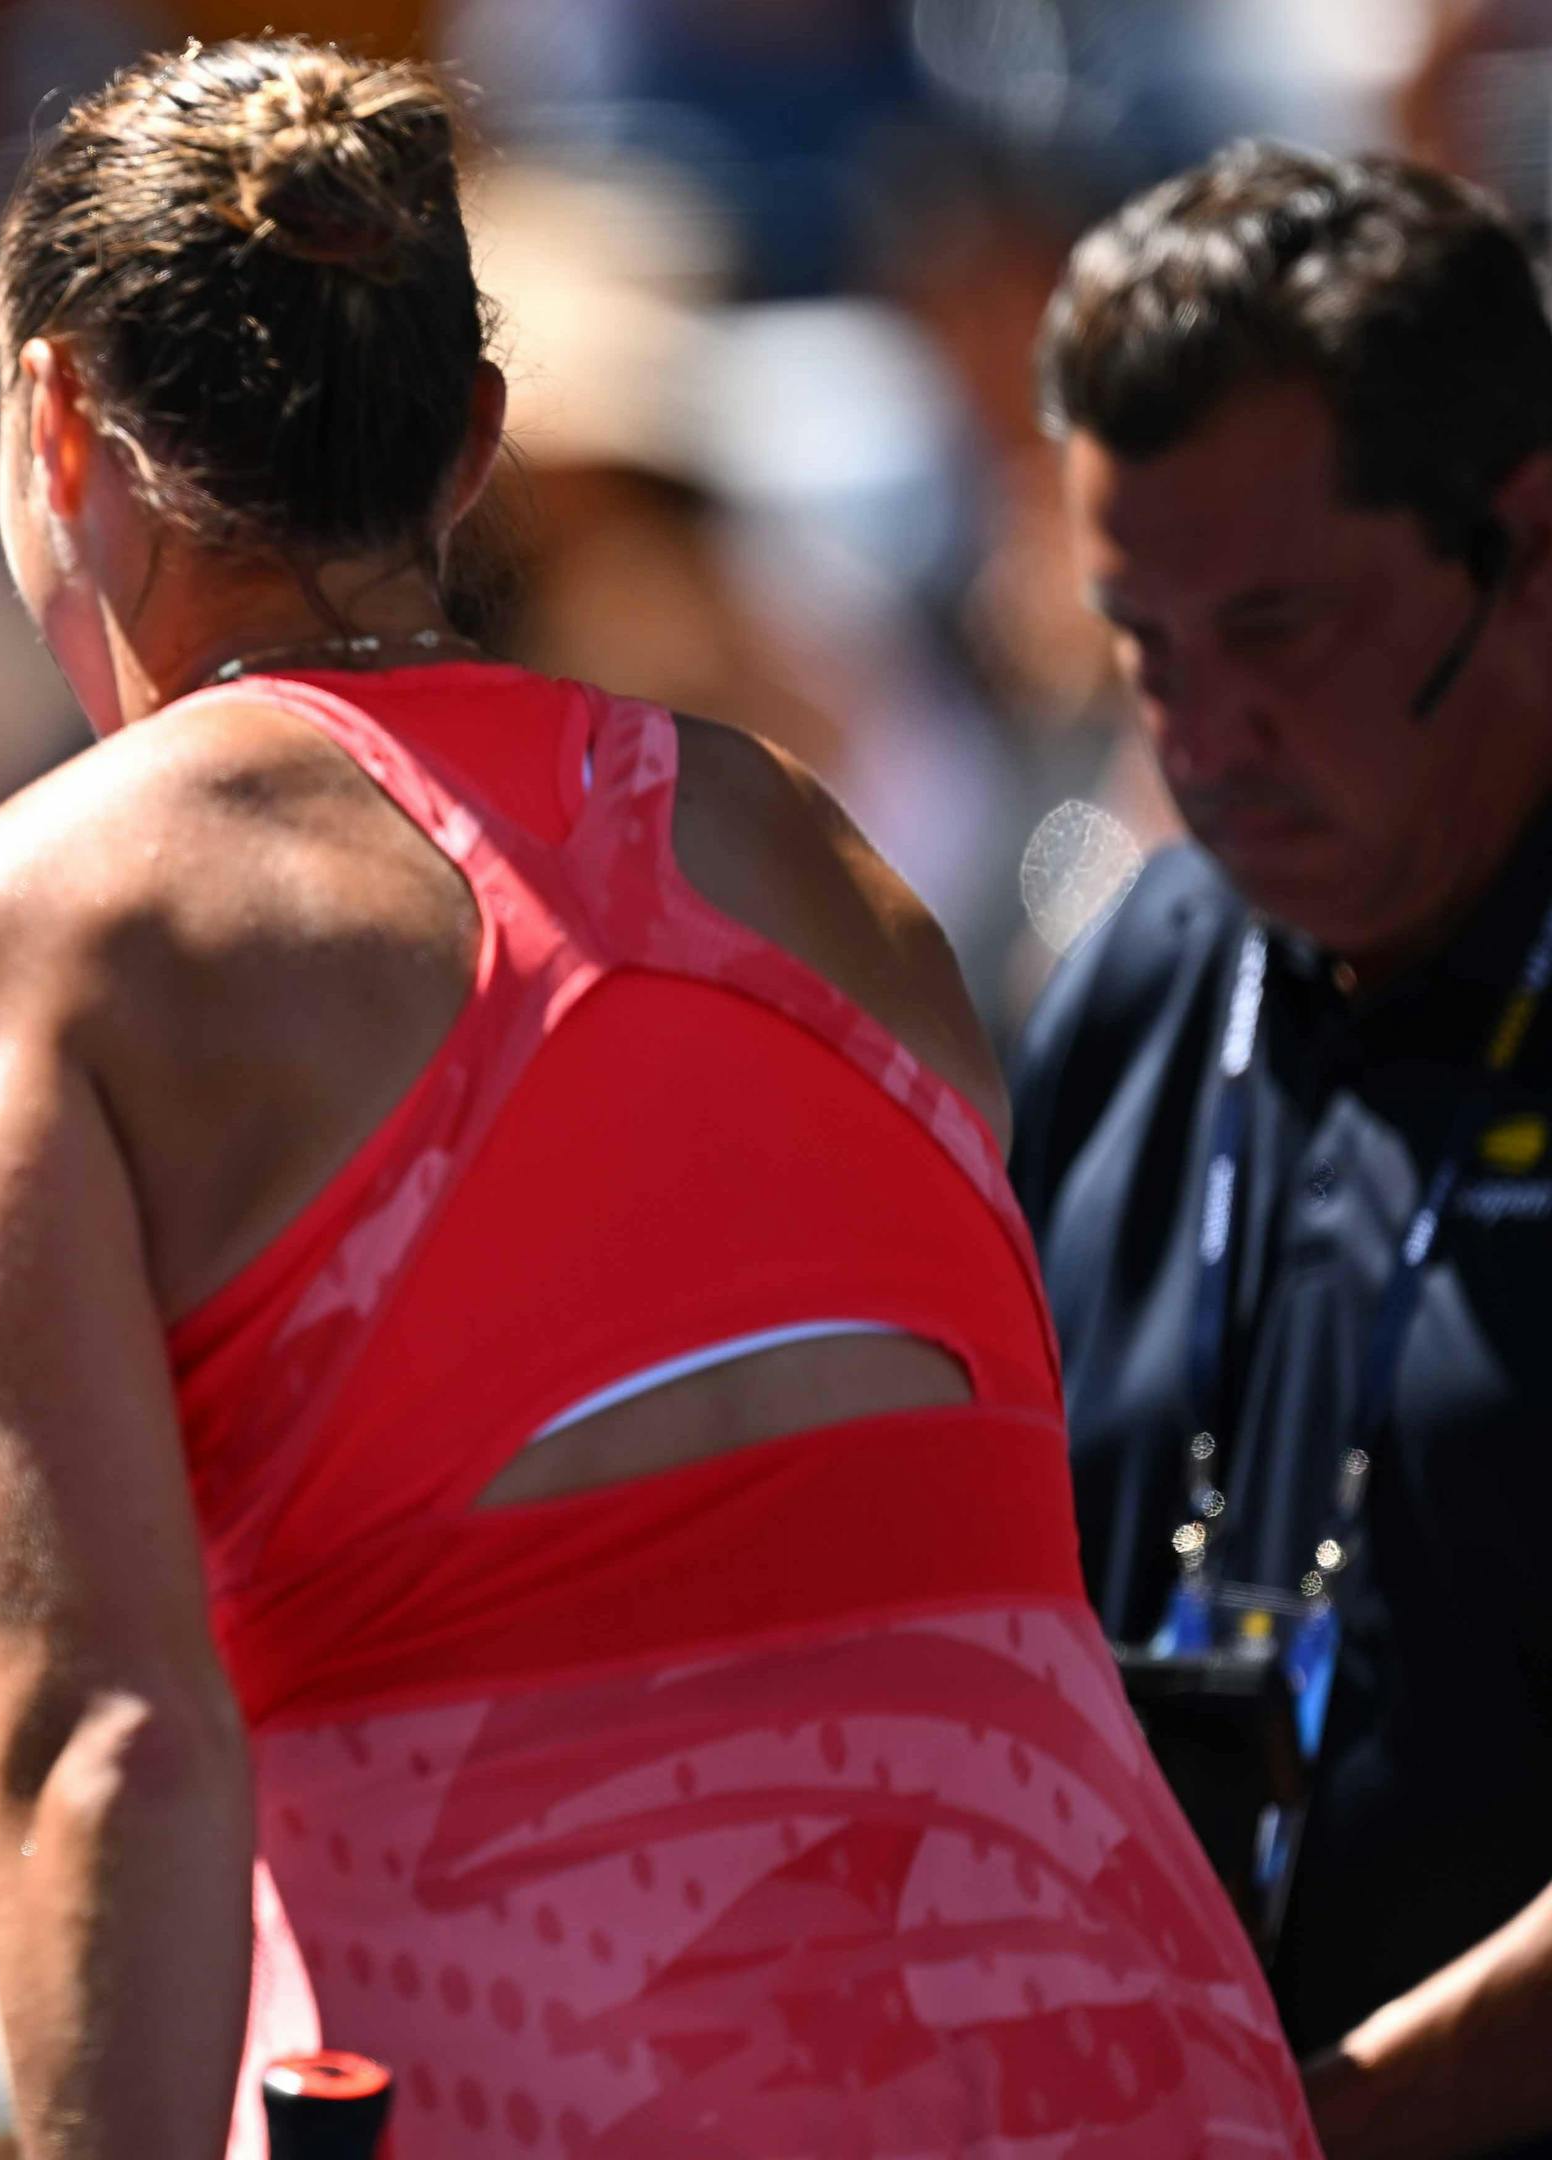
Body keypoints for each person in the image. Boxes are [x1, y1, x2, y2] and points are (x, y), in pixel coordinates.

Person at [0, 37, 1316, 2157]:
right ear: (473, 443)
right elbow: (719, 1550)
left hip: (559, 2080)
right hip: (1132, 2049)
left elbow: (118, 1747)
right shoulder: (814, 858)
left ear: (55, 429)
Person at [1014, 142, 1552, 2159]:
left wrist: (1319, 2129)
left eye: (1282, 627)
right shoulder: (1143, 978)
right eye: (1145, 643)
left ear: (1525, 543)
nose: (1208, 731)